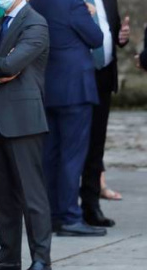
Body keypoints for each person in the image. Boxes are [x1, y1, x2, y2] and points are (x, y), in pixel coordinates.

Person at [0, 0, 52, 269]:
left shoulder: (35, 23)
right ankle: (8, 257)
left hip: (23, 120)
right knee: (3, 195)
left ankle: (41, 259)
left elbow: (11, 64)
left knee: (32, 195)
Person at [29, 0, 107, 237]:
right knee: (72, 156)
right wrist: (91, 14)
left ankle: (52, 215)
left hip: (48, 87)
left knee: (50, 156)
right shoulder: (74, 4)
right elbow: (96, 38)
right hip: (75, 89)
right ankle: (70, 216)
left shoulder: (36, 4)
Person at [79, 0, 130, 228]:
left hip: (104, 77)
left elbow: (114, 33)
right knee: (72, 144)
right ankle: (65, 207)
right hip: (78, 77)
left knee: (96, 145)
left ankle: (91, 206)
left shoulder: (108, 1)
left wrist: (122, 37)